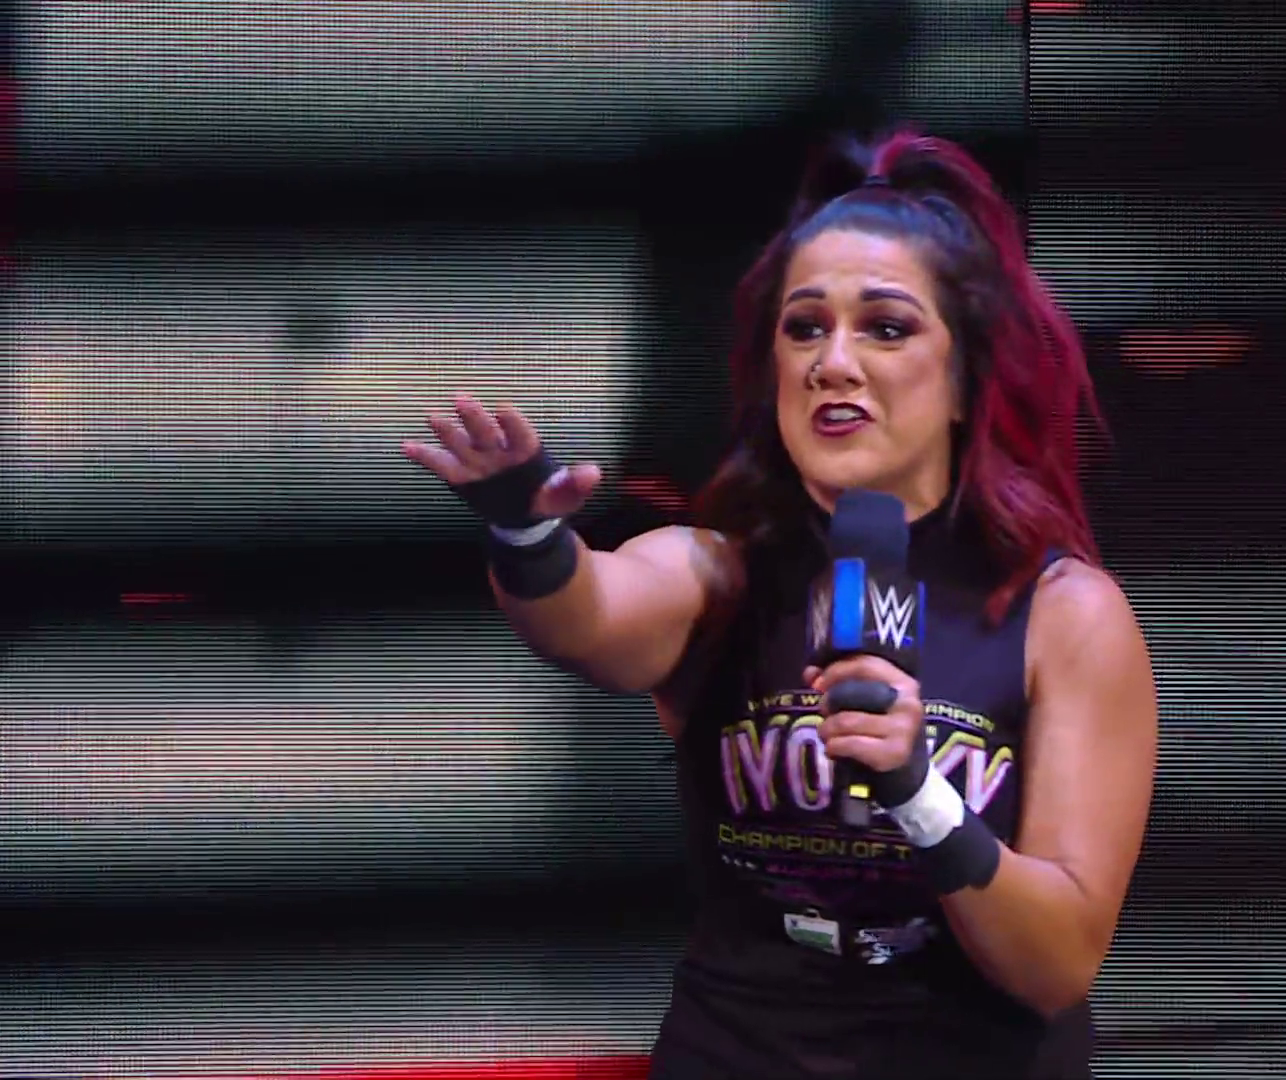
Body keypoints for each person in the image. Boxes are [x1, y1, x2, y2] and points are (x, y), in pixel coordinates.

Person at [401, 129, 1158, 1079]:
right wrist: (526, 534)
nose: (832, 363)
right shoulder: (718, 573)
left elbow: (1057, 965)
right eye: (805, 328)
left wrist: (919, 795)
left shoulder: (1062, 613)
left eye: (885, 328)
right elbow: (586, 619)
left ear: (966, 377)